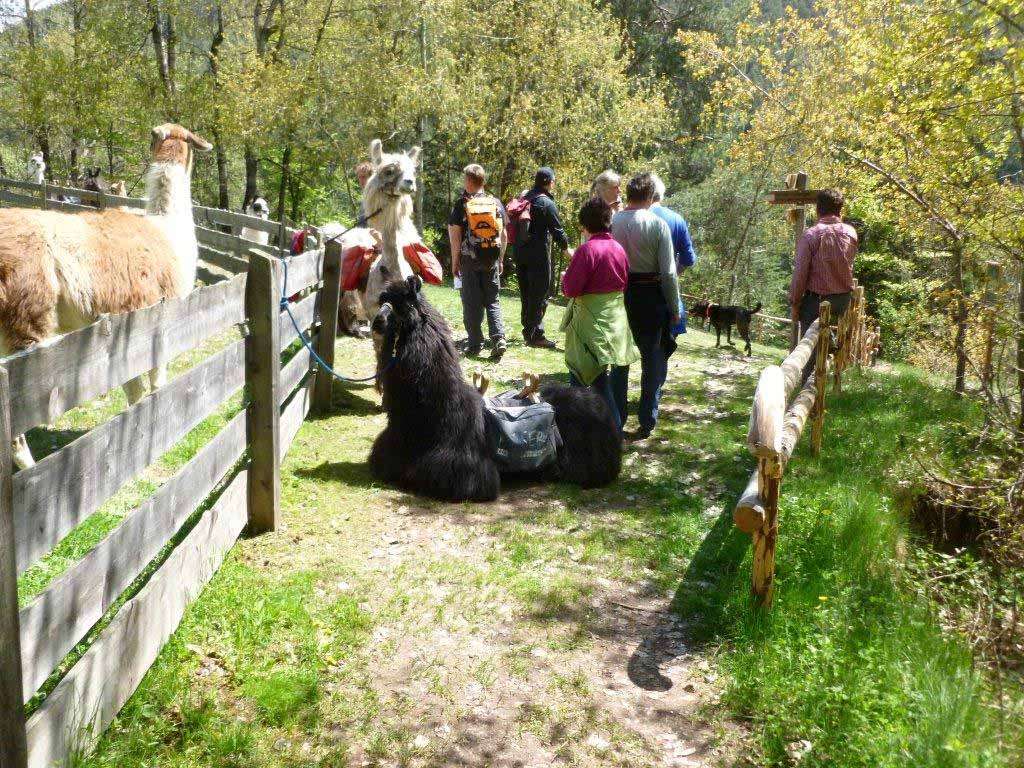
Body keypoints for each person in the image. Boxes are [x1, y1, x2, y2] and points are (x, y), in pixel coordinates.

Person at [612, 172, 680, 440]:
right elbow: (669, 273)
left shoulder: (613, 222)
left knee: (619, 359)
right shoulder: (657, 225)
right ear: (650, 197)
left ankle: (617, 418)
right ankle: (647, 419)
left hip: (618, 294)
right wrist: (674, 307)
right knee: (652, 359)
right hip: (650, 295)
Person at [561, 197, 639, 431]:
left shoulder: (587, 250)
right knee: (600, 380)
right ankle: (605, 430)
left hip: (590, 324)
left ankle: (608, 433)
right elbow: (623, 283)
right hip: (614, 323)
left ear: (585, 224)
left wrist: (566, 276)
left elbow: (570, 289)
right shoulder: (619, 249)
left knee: (585, 380)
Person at [789, 188, 858, 379]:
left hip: (817, 301)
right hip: (842, 300)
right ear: (840, 210)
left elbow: (800, 274)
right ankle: (829, 341)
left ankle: (808, 385)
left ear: (818, 209)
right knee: (823, 326)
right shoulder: (850, 232)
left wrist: (795, 303)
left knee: (809, 345)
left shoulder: (811, 235)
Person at [448, 164, 509, 359]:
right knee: (492, 300)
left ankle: (475, 343)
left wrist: (455, 260)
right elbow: (504, 235)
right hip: (491, 258)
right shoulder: (495, 203)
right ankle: (499, 339)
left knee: (471, 302)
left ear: (469, 181)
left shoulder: (462, 204)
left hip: (469, 259)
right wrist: (500, 259)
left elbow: (455, 235)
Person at [515, 167, 569, 349]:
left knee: (526, 293)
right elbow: (557, 230)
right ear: (550, 182)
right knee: (540, 294)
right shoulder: (545, 202)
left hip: (520, 253)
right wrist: (566, 248)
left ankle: (528, 331)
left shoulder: (525, 198)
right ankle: (537, 335)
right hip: (538, 255)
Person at [649, 173, 696, 332]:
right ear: (661, 195)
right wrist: (673, 273)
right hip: (666, 292)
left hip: (634, 290)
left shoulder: (632, 217)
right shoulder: (677, 219)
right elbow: (688, 259)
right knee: (667, 337)